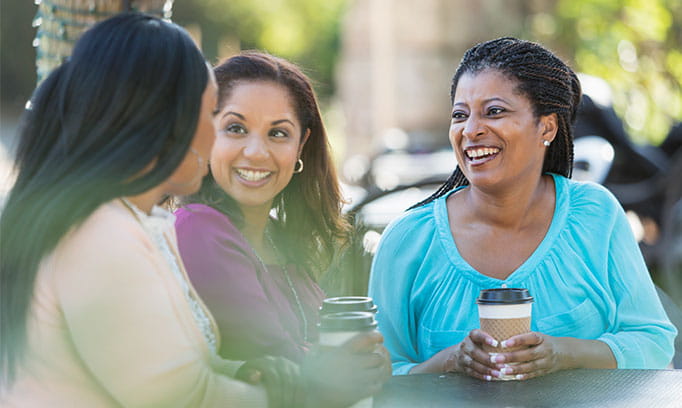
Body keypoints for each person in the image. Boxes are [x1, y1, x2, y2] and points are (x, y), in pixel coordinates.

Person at [0, 13, 280, 407]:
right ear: (163, 120)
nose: (213, 132)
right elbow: (180, 399)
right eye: (211, 111)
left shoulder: (131, 221)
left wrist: (247, 371)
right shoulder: (99, 236)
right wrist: (308, 392)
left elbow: (166, 370)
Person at [368, 37, 677, 381]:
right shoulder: (408, 240)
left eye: (494, 111)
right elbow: (379, 378)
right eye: (460, 115)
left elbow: (653, 342)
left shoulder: (595, 215)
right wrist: (451, 360)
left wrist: (564, 354)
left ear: (546, 126)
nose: (470, 130)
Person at [175, 51, 390, 406]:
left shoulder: (280, 238)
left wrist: (369, 361)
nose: (257, 152)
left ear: (301, 145)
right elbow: (285, 365)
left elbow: (326, 368)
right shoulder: (199, 229)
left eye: (278, 133)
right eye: (235, 128)